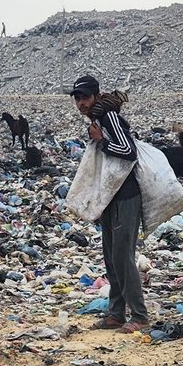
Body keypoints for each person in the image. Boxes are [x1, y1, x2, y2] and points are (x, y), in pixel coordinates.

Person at [70, 75, 148, 333]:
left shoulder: (110, 117)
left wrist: (102, 141)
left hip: (125, 195)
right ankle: (116, 313)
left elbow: (129, 151)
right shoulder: (97, 119)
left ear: (96, 96)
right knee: (111, 258)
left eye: (85, 97)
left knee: (123, 257)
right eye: (78, 98)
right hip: (109, 196)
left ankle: (139, 316)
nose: (81, 103)